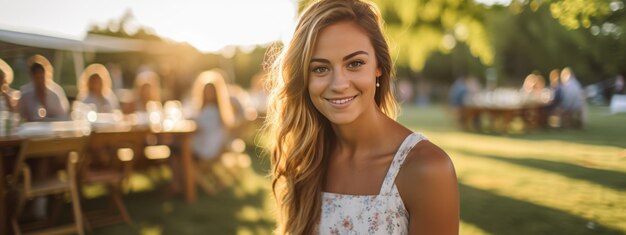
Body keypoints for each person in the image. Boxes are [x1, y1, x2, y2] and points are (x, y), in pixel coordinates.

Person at [264, 0, 459, 234]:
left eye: (355, 63)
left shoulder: (427, 168)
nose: (339, 84)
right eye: (320, 68)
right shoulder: (307, 158)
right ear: (303, 78)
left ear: (379, 66)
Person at [18, 55, 69, 122]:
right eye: (37, 78)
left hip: (53, 129)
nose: (40, 81)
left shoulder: (56, 92)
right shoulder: (25, 94)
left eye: (42, 77)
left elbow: (63, 116)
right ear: (32, 77)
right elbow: (21, 116)